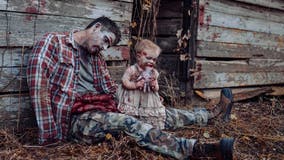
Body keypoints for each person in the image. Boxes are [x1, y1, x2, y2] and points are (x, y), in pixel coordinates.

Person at [27, 16, 235, 160]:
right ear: (96, 27)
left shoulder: (96, 57)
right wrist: (51, 138)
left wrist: (143, 98)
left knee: (159, 114)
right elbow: (39, 90)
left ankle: (209, 115)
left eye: (109, 46)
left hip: (104, 108)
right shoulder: (53, 43)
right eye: (106, 41)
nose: (105, 48)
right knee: (127, 122)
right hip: (76, 119)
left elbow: (110, 89)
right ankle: (195, 149)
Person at [117, 39, 166, 129]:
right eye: (148, 58)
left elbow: (157, 88)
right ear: (139, 57)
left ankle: (149, 127)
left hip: (148, 99)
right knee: (132, 115)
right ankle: (133, 126)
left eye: (154, 60)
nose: (151, 62)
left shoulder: (154, 73)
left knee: (148, 114)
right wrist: (135, 85)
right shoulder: (132, 70)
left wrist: (154, 85)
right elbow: (124, 82)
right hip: (133, 98)